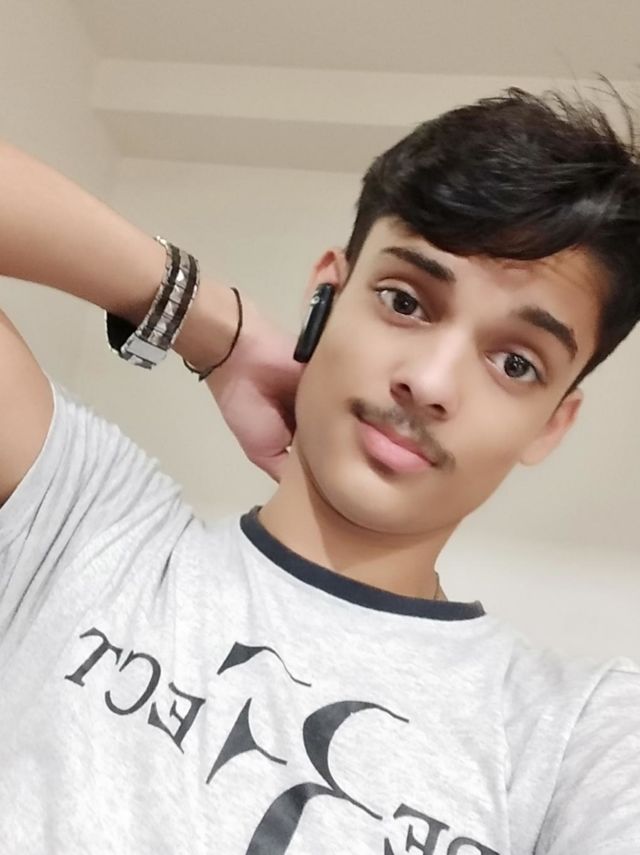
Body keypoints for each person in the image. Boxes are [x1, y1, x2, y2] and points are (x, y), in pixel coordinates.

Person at [0, 88, 638, 854]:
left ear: (553, 422)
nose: (430, 383)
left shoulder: (574, 738)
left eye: (515, 362)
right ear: (326, 293)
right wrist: (214, 326)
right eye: (405, 301)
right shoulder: (87, 525)